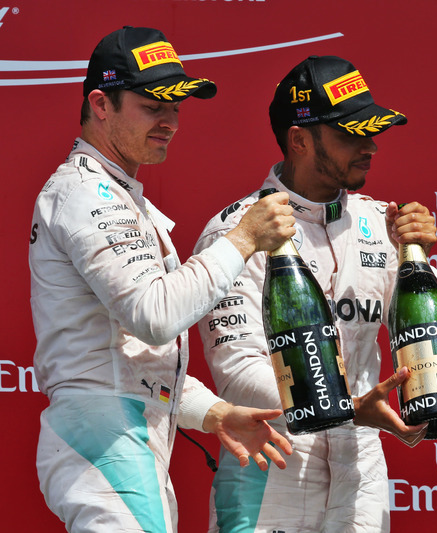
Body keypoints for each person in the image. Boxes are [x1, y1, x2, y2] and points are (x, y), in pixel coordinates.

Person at [29, 26, 294, 533]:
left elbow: (133, 361)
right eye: (154, 106)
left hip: (122, 436)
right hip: (103, 439)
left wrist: (213, 413)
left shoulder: (117, 193)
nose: (171, 121)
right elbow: (155, 317)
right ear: (101, 104)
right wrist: (242, 241)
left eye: (176, 107)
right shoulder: (87, 194)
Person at [193, 55, 436, 533]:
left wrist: (417, 257)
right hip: (272, 465)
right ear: (299, 139)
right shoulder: (237, 231)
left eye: (371, 131)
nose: (370, 146)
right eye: (351, 133)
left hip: (361, 472)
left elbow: (422, 335)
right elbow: (238, 370)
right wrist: (348, 409)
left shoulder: (380, 223)